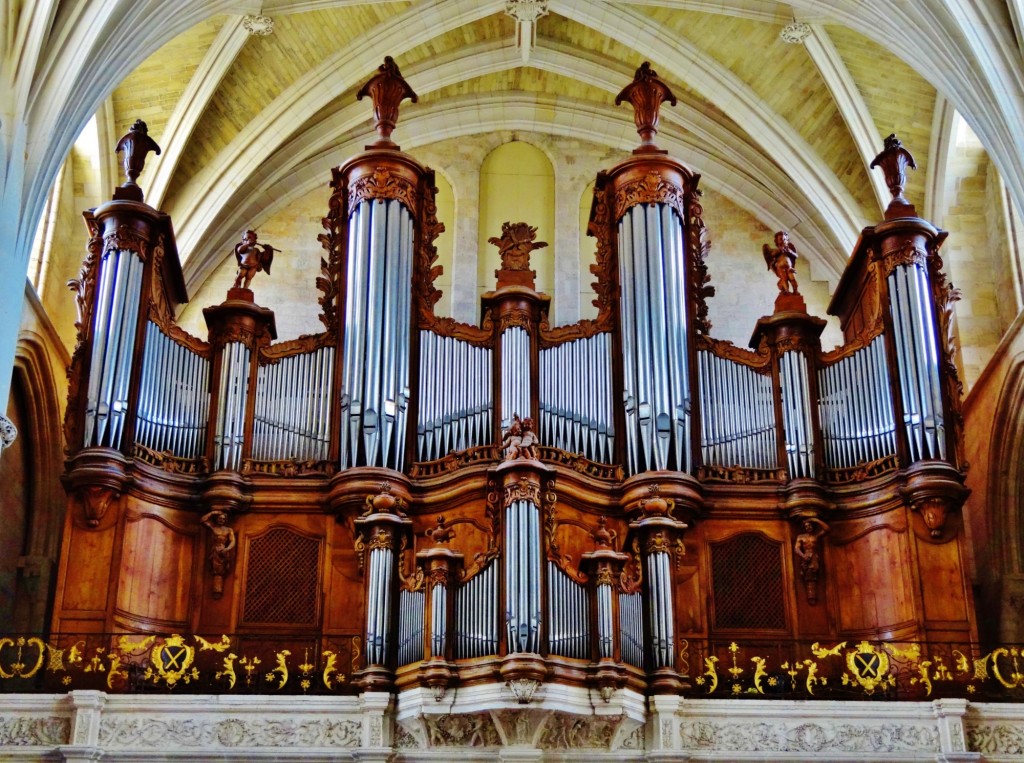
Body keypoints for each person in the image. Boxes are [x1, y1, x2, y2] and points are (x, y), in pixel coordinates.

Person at [201, 510, 236, 598]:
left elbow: (232, 541)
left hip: (223, 551)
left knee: (221, 569)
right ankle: (216, 589)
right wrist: (213, 513)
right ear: (217, 519)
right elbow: (202, 520)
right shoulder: (213, 527)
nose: (221, 520)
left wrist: (227, 549)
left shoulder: (228, 530)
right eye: (220, 518)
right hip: (214, 550)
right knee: (214, 568)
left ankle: (218, 589)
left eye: (223, 519)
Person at [794, 516, 828, 604]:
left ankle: (813, 595)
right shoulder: (800, 537)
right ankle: (811, 595)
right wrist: (803, 556)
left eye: (809, 525)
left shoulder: (816, 535)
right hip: (806, 557)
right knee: (808, 576)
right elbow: (796, 548)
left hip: (814, 557)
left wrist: (815, 520)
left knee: (813, 575)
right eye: (806, 526)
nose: (808, 527)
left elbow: (827, 529)